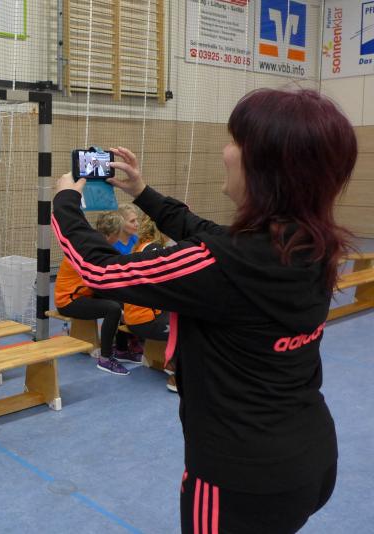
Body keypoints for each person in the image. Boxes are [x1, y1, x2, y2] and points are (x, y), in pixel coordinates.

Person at [52, 88, 355, 533]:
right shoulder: (308, 241)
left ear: (265, 168)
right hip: (308, 458)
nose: (225, 151)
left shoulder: (224, 262)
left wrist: (65, 202)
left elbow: (100, 270)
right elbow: (207, 232)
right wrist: (141, 192)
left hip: (237, 478)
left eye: (236, 141)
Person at [55, 211, 131, 375]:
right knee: (113, 308)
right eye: (118, 233)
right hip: (68, 301)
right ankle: (105, 359)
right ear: (111, 235)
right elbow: (98, 283)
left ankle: (122, 349)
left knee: (122, 299)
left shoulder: (96, 244)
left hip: (84, 292)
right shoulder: (93, 250)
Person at [122, 215, 175, 392]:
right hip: (145, 320)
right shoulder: (155, 249)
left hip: (135, 316)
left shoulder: (141, 246)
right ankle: (176, 375)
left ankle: (164, 360)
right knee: (190, 326)